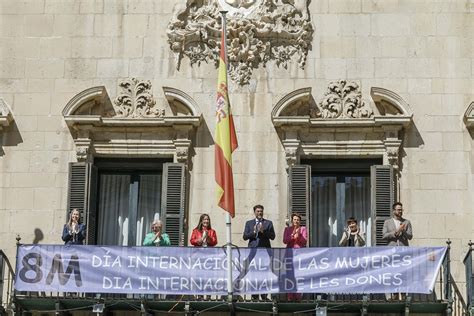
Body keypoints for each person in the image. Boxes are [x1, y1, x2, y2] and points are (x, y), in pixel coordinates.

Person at [242, 204, 275, 301]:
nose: (260, 213)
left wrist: (263, 231)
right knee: (253, 273)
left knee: (264, 274)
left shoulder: (268, 223)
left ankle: (264, 295)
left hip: (264, 252)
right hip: (252, 252)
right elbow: (245, 236)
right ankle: (255, 296)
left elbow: (273, 236)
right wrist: (254, 232)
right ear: (254, 212)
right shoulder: (249, 223)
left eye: (261, 211)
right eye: (258, 211)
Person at [283, 213, 307, 301]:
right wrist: (292, 236)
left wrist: (299, 235)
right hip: (289, 254)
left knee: (298, 274)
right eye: (294, 219)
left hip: (299, 254)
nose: (296, 221)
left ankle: (298, 296)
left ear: (300, 221)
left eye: (298, 220)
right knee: (290, 275)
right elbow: (285, 241)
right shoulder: (287, 229)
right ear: (292, 220)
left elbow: (304, 241)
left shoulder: (303, 229)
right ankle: (290, 296)